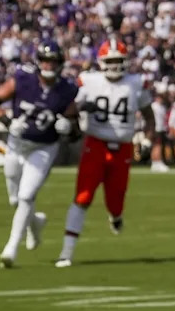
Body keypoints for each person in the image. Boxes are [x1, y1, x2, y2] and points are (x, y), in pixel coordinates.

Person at [0, 39, 79, 268]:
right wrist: (7, 120)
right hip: (16, 145)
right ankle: (35, 223)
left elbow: (76, 131)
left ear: (60, 63)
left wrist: (69, 128)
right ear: (38, 61)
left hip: (43, 148)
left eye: (53, 62)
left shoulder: (67, 90)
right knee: (15, 199)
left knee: (26, 196)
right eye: (45, 61)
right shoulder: (22, 79)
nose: (48, 66)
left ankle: (11, 248)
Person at [55, 39, 155, 267]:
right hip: (95, 145)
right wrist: (78, 111)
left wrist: (147, 140)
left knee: (116, 201)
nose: (114, 66)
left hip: (123, 148)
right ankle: (66, 253)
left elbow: (149, 115)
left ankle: (116, 217)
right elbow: (70, 109)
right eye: (110, 61)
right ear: (101, 62)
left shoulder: (136, 83)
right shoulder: (89, 81)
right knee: (83, 197)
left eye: (118, 61)